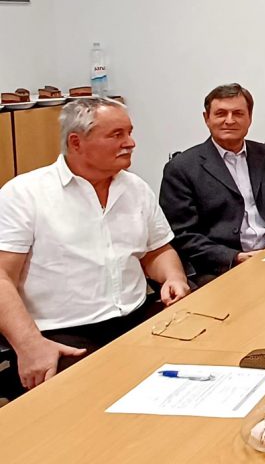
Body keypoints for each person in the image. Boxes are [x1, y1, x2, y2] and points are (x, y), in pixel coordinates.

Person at [0, 98, 189, 395]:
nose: (131, 143)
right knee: (96, 400)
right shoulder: (24, 194)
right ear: (76, 142)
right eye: (117, 135)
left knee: (196, 371)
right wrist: (29, 346)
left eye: (129, 132)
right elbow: (2, 278)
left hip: (136, 318)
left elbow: (157, 251)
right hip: (61, 333)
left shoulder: (136, 188)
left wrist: (173, 277)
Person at [160, 83, 265, 286]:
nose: (229, 120)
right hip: (221, 269)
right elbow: (183, 235)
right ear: (206, 118)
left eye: (238, 113)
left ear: (250, 118)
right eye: (221, 113)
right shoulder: (181, 168)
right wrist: (235, 257)